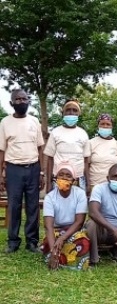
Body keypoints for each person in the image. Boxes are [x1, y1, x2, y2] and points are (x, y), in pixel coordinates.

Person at [0, 89, 45, 253]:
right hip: (13, 170)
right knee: (14, 206)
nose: (21, 102)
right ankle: (13, 242)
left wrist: (41, 172)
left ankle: (32, 242)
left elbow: (40, 148)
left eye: (24, 99)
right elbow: (2, 151)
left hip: (33, 168)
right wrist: (1, 175)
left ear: (29, 101)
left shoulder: (34, 121)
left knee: (33, 206)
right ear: (12, 103)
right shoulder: (5, 122)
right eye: (17, 99)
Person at [41, 163, 89, 270]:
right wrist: (54, 250)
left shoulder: (80, 194)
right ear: (56, 178)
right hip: (56, 230)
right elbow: (48, 226)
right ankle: (56, 258)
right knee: (48, 243)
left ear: (73, 180)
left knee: (82, 241)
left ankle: (66, 261)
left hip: (73, 230)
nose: (64, 178)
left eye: (68, 175)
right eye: (61, 175)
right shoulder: (50, 197)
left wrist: (62, 238)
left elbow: (79, 222)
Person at [44, 100, 90, 192]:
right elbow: (50, 159)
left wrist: (88, 183)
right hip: (59, 179)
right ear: (63, 113)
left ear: (78, 114)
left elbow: (86, 161)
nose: (71, 113)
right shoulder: (55, 132)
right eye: (68, 110)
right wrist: (49, 183)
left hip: (78, 180)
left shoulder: (83, 133)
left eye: (74, 110)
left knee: (78, 205)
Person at [88, 113, 117, 191]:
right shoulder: (90, 143)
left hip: (112, 186)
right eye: (102, 124)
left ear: (112, 126)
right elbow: (86, 165)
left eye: (108, 124)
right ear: (98, 126)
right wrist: (87, 184)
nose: (105, 126)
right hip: (94, 186)